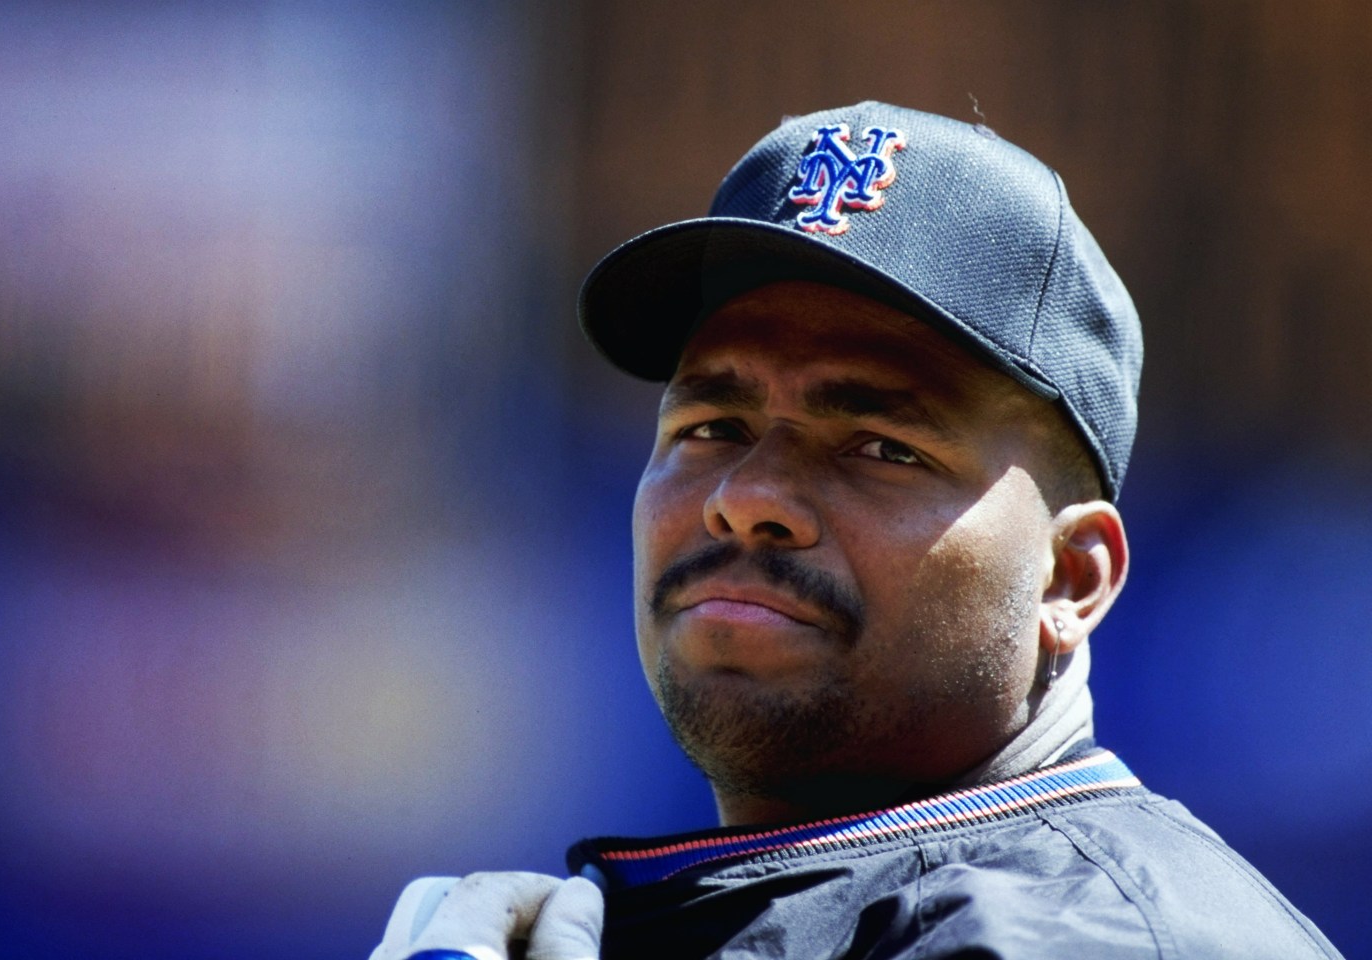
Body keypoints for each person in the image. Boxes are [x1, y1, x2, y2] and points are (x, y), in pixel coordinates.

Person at [369, 102, 1344, 960]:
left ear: (1070, 577)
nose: (748, 497)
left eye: (880, 446)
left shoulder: (1105, 936)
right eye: (712, 427)